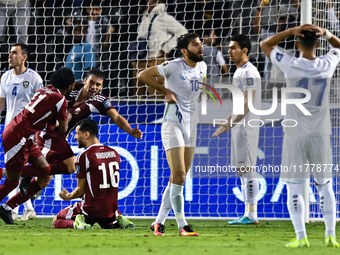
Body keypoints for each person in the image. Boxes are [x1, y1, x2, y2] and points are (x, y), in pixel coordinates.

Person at [4, 68, 143, 218]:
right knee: (69, 166)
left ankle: (8, 206)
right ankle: (19, 177)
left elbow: (115, 116)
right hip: (48, 133)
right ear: (84, 81)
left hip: (60, 137)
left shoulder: (100, 101)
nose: (94, 87)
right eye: (91, 83)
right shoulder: (70, 88)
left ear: (102, 86)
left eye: (98, 84)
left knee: (44, 179)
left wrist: (130, 130)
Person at [260, 24, 340, 248]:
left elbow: (265, 44)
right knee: (325, 185)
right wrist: (328, 34)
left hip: (294, 134)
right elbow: (339, 46)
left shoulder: (290, 64)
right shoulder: (327, 63)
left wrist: (291, 30)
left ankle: (301, 236)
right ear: (318, 44)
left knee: (294, 186)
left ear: (297, 44)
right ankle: (331, 235)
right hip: (321, 133)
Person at [138, 32, 206, 236]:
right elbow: (143, 75)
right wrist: (165, 91)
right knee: (180, 175)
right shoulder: (174, 66)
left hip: (191, 125)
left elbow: (201, 86)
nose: (200, 47)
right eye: (195, 45)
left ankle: (158, 222)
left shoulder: (202, 66)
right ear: (184, 51)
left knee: (178, 178)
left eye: (200, 44)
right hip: (172, 123)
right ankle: (182, 225)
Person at [0, 67, 75, 225]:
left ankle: (10, 202)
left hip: (23, 133)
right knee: (12, 181)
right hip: (17, 136)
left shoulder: (45, 89)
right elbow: (62, 129)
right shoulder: (60, 100)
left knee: (45, 169)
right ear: (69, 86)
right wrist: (68, 117)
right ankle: (5, 201)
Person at [212, 34, 261, 225]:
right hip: (239, 125)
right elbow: (239, 103)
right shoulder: (238, 72)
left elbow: (248, 104)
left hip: (247, 126)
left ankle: (252, 215)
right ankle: (247, 213)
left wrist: (231, 123)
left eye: (233, 48)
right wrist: (227, 121)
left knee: (248, 169)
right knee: (242, 170)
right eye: (229, 48)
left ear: (245, 51)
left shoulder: (250, 72)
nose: (229, 51)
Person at [52, 119, 134, 229]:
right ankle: (117, 218)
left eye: (77, 133)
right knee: (108, 222)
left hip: (90, 209)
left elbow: (81, 191)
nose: (75, 137)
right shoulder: (115, 153)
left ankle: (78, 225)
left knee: (57, 220)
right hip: (109, 211)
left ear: (86, 135)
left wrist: (68, 197)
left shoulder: (84, 156)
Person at [0, 43, 42, 221]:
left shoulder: (34, 79)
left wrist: (37, 131)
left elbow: (41, 106)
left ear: (24, 57)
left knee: (18, 170)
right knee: (19, 169)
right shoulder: (5, 77)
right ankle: (28, 208)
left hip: (26, 132)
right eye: (10, 53)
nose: (10, 56)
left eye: (14, 53)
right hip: (10, 131)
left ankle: (13, 209)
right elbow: (1, 103)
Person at [131, 0, 187, 96]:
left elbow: (183, 32)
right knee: (138, 94)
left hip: (156, 60)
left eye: (151, 1)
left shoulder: (164, 18)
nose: (148, 3)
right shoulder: (144, 18)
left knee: (156, 94)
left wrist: (166, 48)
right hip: (139, 60)